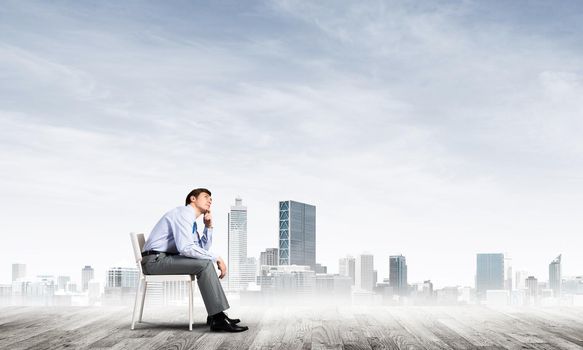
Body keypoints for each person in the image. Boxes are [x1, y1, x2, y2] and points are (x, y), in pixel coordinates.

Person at [141, 188, 248, 332]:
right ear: (193, 199)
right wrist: (216, 257)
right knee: (205, 264)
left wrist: (208, 227)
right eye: (206, 197)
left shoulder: (191, 221)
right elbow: (186, 248)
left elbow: (201, 249)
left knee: (205, 262)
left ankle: (215, 315)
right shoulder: (183, 213)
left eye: (211, 199)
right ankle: (217, 318)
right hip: (155, 261)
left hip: (164, 258)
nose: (210, 200)